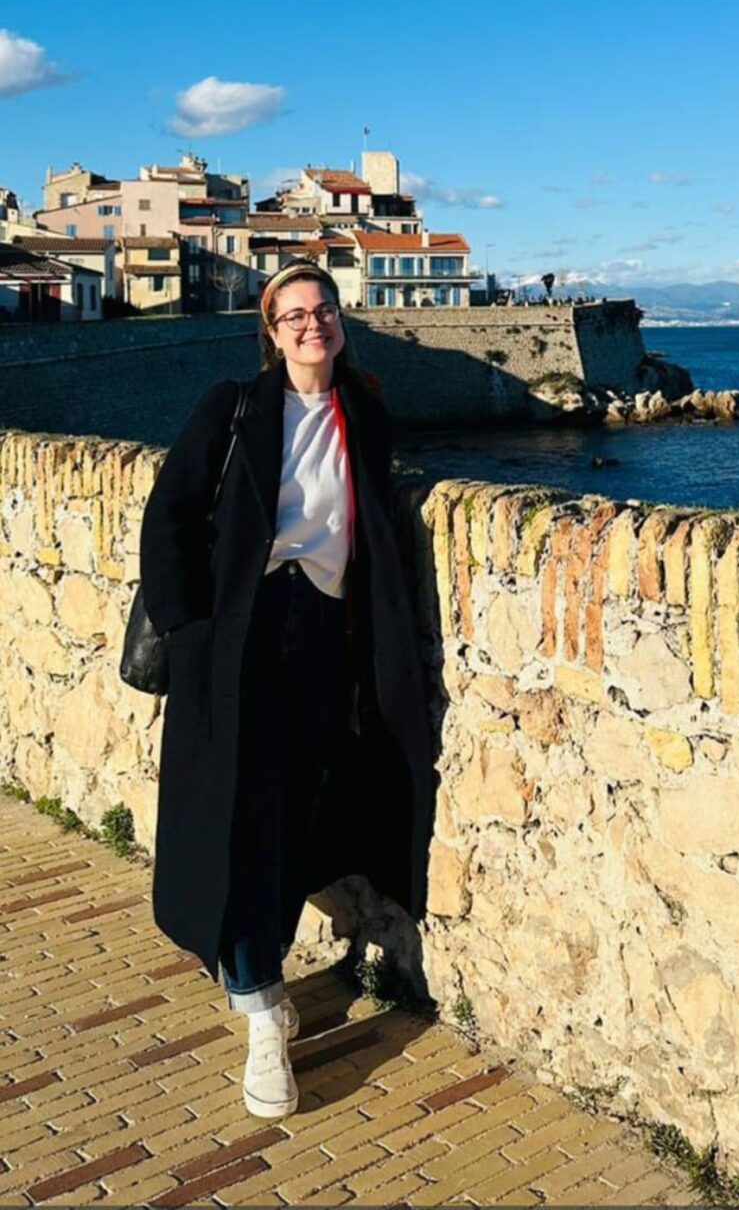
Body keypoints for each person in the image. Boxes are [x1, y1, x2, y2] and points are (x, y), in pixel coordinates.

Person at [139, 263, 436, 1119]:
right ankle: (264, 1012)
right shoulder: (232, 408)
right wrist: (190, 634)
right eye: (295, 314)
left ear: (341, 322)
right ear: (271, 333)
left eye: (324, 309)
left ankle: (257, 974)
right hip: (238, 640)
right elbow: (169, 516)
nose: (314, 324)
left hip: (324, 640)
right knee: (236, 820)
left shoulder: (363, 410)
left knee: (295, 817)